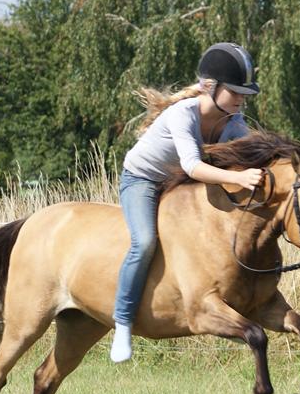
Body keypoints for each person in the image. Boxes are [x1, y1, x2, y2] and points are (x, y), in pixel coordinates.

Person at [110, 42, 265, 363]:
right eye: (236, 91)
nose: (241, 99)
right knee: (145, 241)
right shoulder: (183, 114)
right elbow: (194, 166)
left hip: (181, 185)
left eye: (244, 93)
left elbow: (252, 155)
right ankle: (122, 323)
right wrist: (237, 179)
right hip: (143, 180)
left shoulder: (233, 123)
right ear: (210, 87)